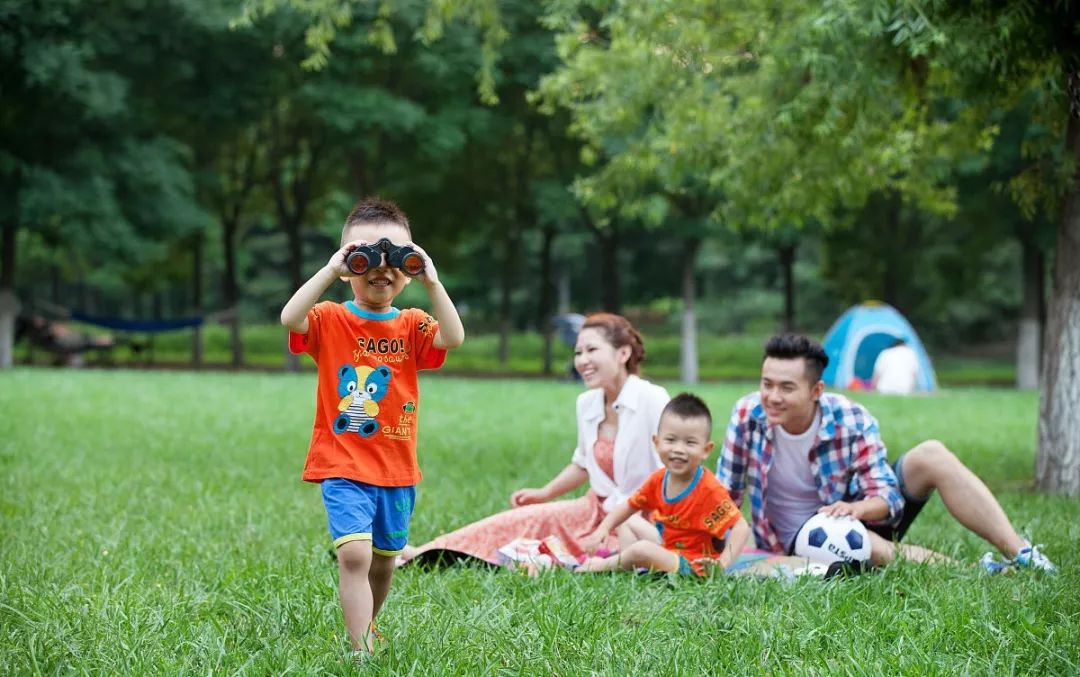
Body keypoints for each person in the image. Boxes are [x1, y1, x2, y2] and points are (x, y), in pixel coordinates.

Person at [280, 197, 465, 655]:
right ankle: (360, 649)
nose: (381, 267)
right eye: (364, 257)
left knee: (385, 562)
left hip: (397, 468)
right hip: (342, 461)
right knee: (355, 554)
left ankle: (367, 626)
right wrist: (329, 271)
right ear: (348, 264)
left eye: (396, 257)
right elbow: (290, 318)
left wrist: (432, 282)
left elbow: (454, 337)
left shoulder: (413, 325)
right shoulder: (330, 318)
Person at [717, 333, 1056, 572]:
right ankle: (977, 571)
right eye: (767, 383)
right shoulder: (748, 415)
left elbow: (889, 500)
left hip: (857, 513)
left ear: (816, 390)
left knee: (931, 454)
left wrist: (854, 509)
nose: (772, 396)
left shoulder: (850, 418)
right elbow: (725, 495)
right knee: (864, 542)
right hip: (794, 540)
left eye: (786, 387)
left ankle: (1022, 553)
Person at [399, 313, 669, 565]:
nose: (582, 360)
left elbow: (671, 471)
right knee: (519, 520)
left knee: (606, 553)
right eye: (578, 352)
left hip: (641, 519)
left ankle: (606, 556)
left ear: (623, 353)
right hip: (594, 508)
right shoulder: (587, 403)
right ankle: (429, 551)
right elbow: (583, 463)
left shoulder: (652, 399)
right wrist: (545, 493)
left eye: (592, 350)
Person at [578, 393, 751, 576]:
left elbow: (741, 527)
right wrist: (603, 529)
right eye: (670, 440)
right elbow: (629, 506)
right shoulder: (658, 480)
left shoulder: (709, 489)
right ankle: (630, 569)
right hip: (667, 547)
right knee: (628, 521)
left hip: (693, 564)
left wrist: (721, 565)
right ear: (657, 442)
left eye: (690, 443)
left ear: (706, 450)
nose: (678, 449)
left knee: (643, 549)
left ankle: (601, 566)